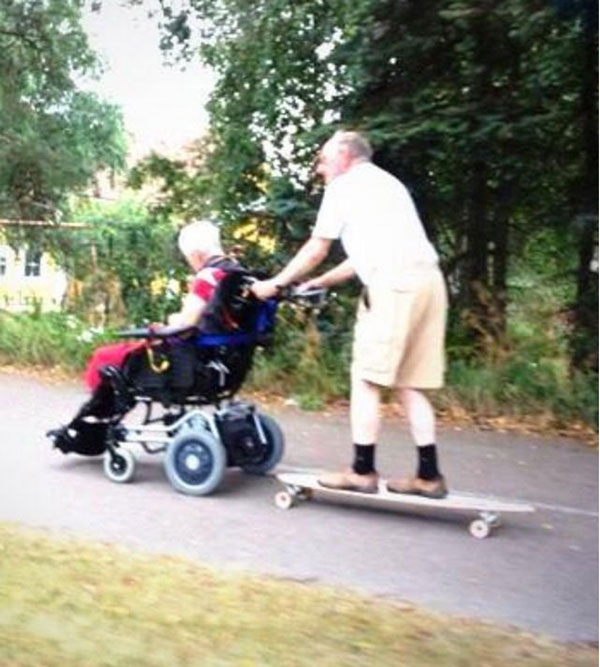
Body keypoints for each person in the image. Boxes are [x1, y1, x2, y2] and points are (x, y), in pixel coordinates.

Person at [251, 130, 448, 498]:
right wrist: (321, 282)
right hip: (430, 283)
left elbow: (316, 247)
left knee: (365, 380)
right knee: (409, 383)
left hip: (394, 287)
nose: (320, 167)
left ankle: (362, 471)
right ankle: (429, 476)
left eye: (324, 159)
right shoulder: (389, 186)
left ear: (344, 156)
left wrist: (274, 284)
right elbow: (365, 256)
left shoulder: (345, 187)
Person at [84, 220, 238, 390]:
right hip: (227, 357)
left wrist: (170, 321)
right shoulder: (237, 275)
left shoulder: (207, 277)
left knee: (104, 356)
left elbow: (186, 324)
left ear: (197, 255)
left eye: (189, 259)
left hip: (192, 358)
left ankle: (102, 406)